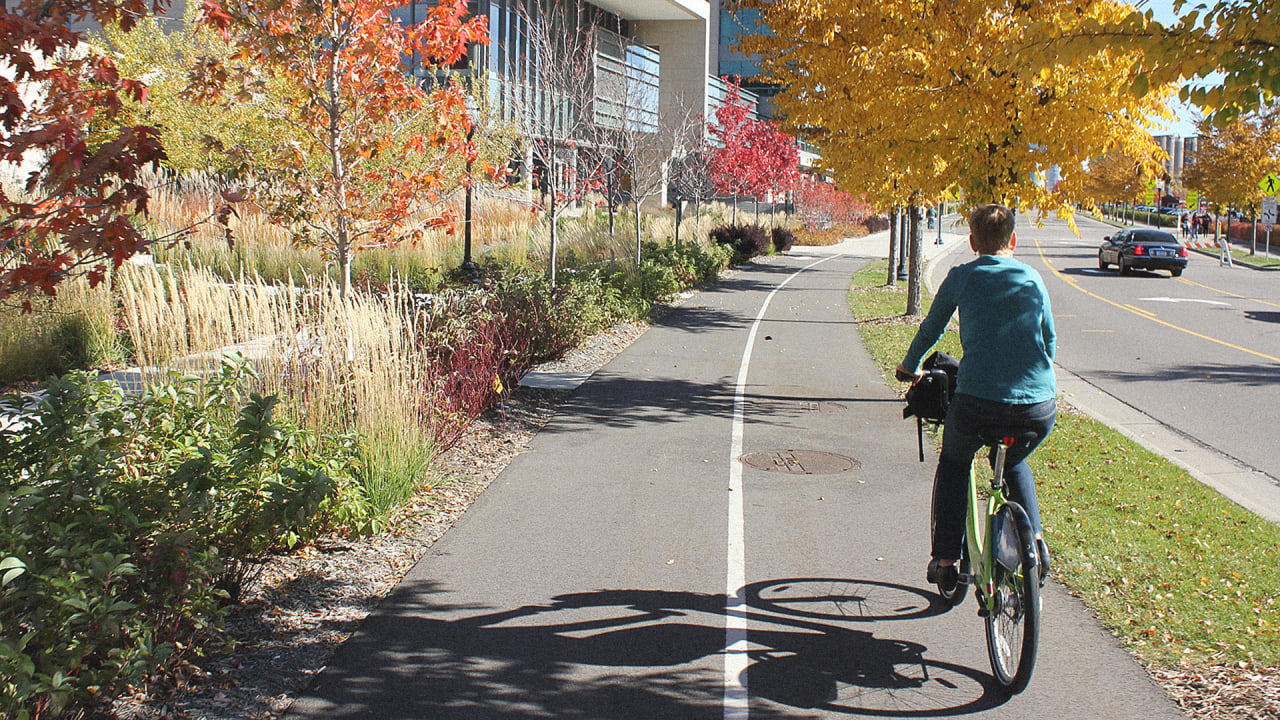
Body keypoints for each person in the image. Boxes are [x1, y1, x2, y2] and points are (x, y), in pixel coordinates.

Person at [895, 203, 1056, 590]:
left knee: (954, 462)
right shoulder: (1034, 278)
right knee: (1014, 462)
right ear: (1013, 240)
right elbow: (1049, 341)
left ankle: (947, 558)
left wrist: (910, 366)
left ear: (972, 242)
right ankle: (1034, 542)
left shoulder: (962, 276)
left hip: (978, 403)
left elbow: (932, 329)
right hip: (1038, 406)